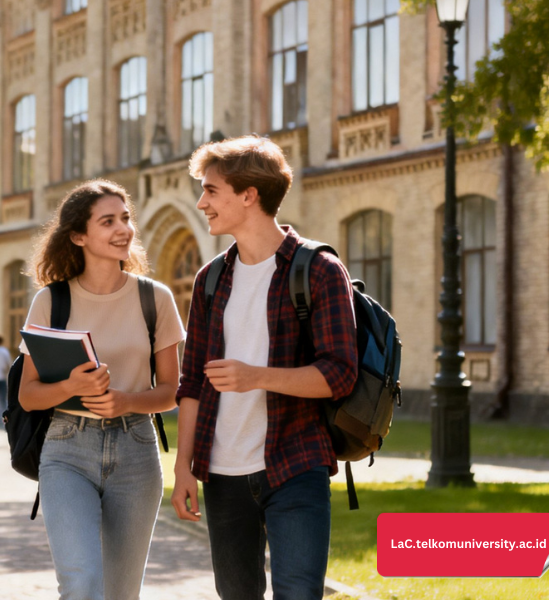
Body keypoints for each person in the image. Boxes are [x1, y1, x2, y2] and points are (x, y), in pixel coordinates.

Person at [171, 136, 358, 600]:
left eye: (211, 191)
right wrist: (182, 468)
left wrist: (256, 376)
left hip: (295, 464)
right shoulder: (211, 279)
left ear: (249, 195)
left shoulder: (318, 269)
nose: (202, 203)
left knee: (298, 593)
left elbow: (339, 374)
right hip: (222, 472)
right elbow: (191, 381)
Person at [17, 180, 185, 600]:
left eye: (125, 218)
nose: (123, 229)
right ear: (78, 236)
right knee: (82, 583)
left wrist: (126, 400)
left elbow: (170, 390)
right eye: (107, 221)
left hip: (136, 450)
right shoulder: (50, 302)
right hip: (67, 450)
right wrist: (71, 386)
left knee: (122, 592)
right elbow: (28, 395)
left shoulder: (155, 299)